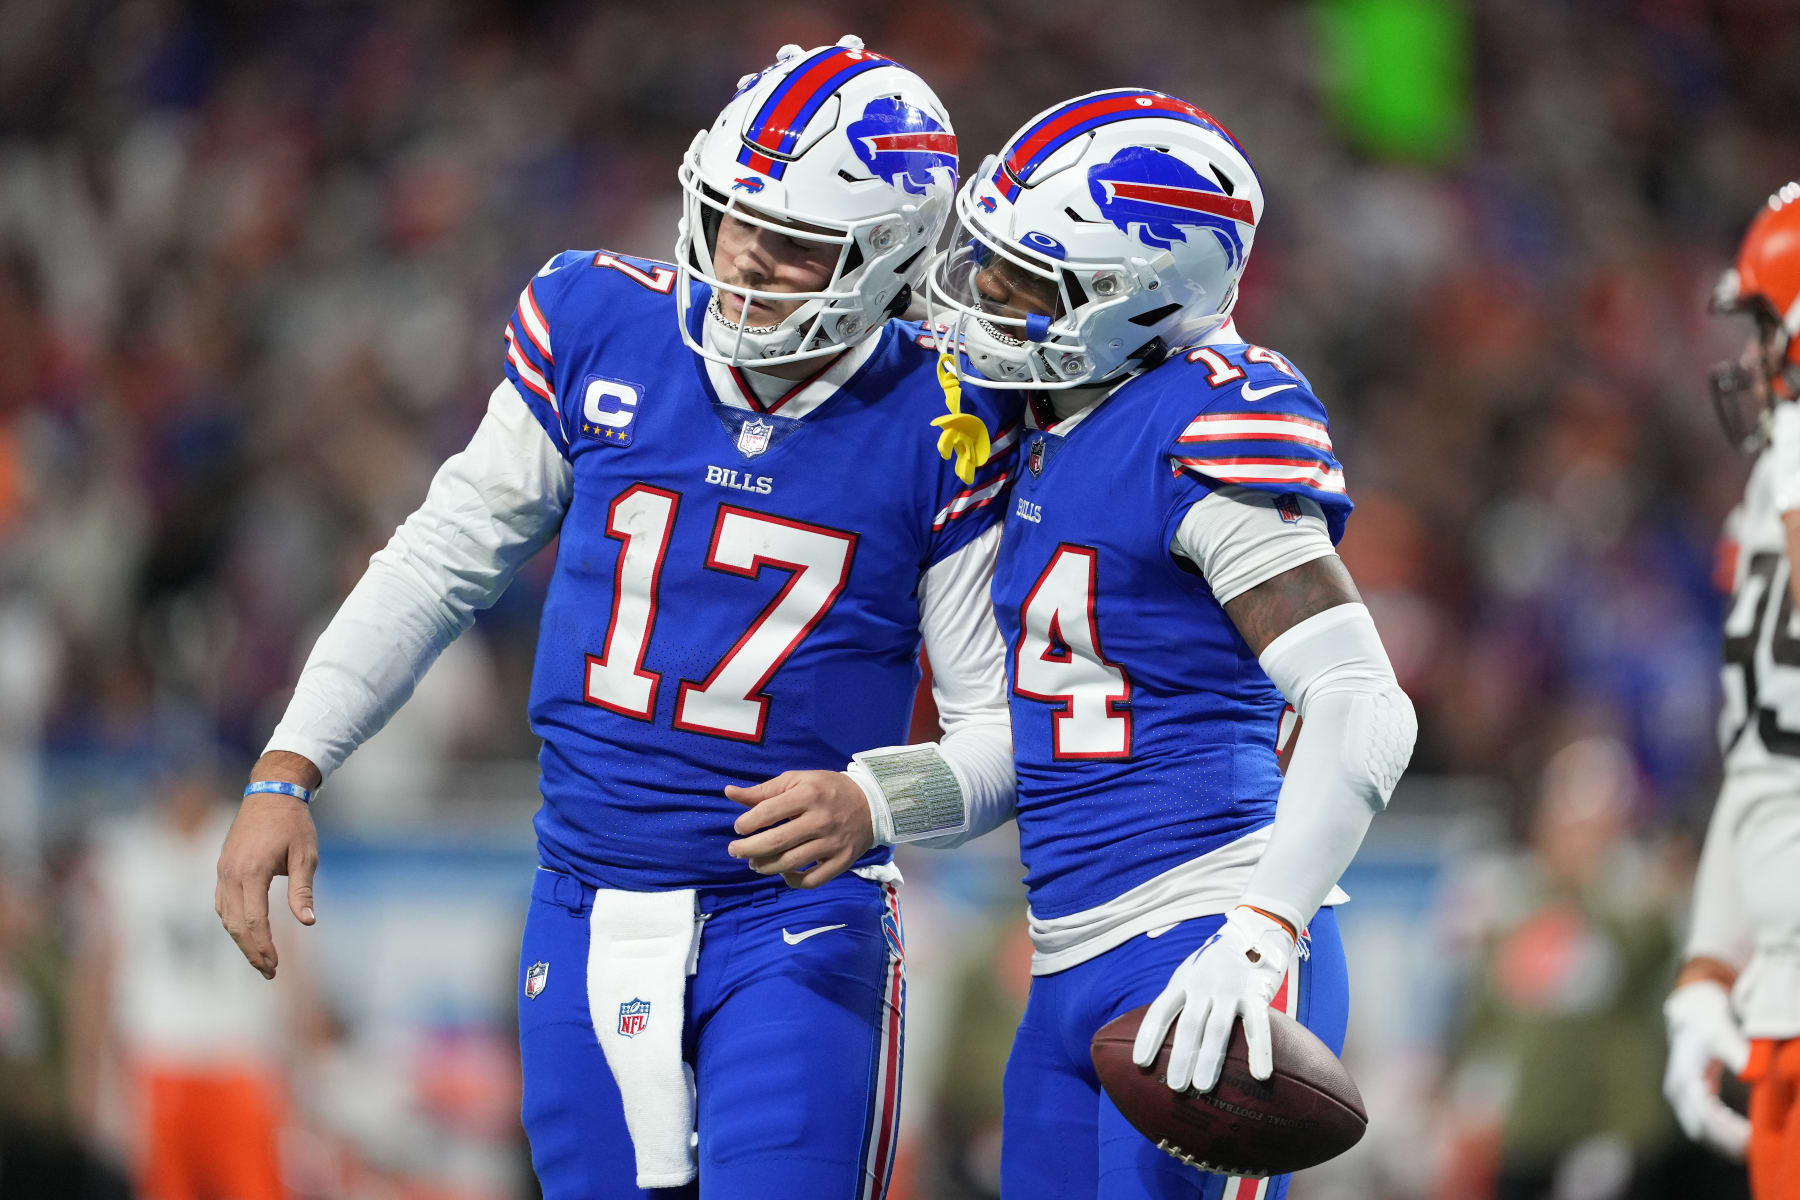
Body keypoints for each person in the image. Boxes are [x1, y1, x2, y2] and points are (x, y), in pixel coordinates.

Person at [215, 37, 1019, 1199]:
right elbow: (439, 560)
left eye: (794, 248)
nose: (744, 263)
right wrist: (289, 765)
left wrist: (875, 800)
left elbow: (1005, 736)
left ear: (888, 261)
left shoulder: (945, 419)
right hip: (583, 901)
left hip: (793, 920)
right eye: (735, 219)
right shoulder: (604, 325)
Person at [926, 89, 1416, 1198]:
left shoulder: (1199, 423)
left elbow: (1363, 702)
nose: (987, 298)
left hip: (1203, 939)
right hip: (1062, 960)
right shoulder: (1048, 421)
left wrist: (1261, 934)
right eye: (990, 261)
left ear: (1139, 300)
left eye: (1026, 278)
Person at [1665, 180, 1800, 1200]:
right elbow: (1762, 756)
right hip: (1780, 997)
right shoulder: (1768, 488)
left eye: (1764, 322)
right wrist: (1709, 967)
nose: (1753, 358)